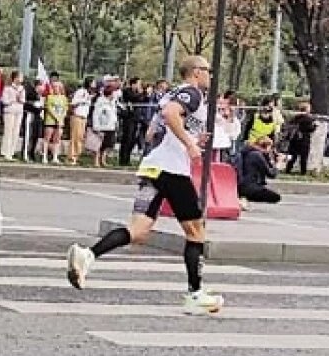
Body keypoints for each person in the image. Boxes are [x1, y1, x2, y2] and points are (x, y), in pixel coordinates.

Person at [65, 55, 224, 316]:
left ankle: (88, 255)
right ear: (196, 72)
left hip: (153, 167)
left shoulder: (173, 93)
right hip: (172, 171)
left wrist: (193, 137)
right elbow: (170, 114)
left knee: (138, 230)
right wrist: (189, 144)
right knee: (196, 231)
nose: (210, 75)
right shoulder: (191, 93)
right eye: (208, 70)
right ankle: (195, 294)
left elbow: (154, 131)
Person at [239, 136, 282, 207]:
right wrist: (278, 165)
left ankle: (243, 197)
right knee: (276, 197)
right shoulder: (257, 155)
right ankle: (244, 198)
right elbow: (271, 174)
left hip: (241, 185)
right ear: (267, 147)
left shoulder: (247, 152)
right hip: (251, 187)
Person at [87, 85, 117, 168]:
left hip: (110, 126)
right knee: (98, 145)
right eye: (113, 93)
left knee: (106, 145)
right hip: (102, 126)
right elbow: (96, 115)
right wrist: (96, 127)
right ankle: (96, 161)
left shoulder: (113, 102)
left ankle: (103, 160)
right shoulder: (100, 102)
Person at [41, 72, 68, 164]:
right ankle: (44, 156)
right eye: (54, 87)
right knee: (47, 138)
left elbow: (65, 108)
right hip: (50, 120)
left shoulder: (64, 98)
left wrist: (61, 118)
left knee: (57, 139)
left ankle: (55, 156)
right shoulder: (50, 97)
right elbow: (49, 108)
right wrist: (56, 118)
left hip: (60, 121)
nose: (55, 89)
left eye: (57, 87)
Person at [283, 102, 316, 175]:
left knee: (292, 156)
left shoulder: (295, 118)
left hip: (294, 139)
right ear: (306, 109)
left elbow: (290, 125)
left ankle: (288, 169)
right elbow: (310, 129)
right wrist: (314, 127)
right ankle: (303, 172)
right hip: (304, 139)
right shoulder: (308, 119)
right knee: (303, 157)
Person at [0, 70, 26, 160]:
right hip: (9, 111)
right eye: (20, 77)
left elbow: (23, 100)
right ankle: (5, 152)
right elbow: (4, 100)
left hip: (18, 111)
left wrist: (20, 98)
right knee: (8, 131)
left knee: (16, 132)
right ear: (15, 78)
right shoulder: (8, 88)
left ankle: (11, 152)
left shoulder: (22, 89)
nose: (21, 79)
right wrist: (12, 100)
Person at [67, 77, 93, 164]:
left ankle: (77, 156)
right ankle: (72, 156)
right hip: (77, 116)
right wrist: (82, 100)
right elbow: (73, 103)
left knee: (80, 137)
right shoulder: (80, 92)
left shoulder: (89, 93)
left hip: (84, 117)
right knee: (75, 137)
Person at [211, 94, 241, 163]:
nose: (222, 105)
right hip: (213, 147)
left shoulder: (235, 120)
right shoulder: (215, 115)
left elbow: (233, 136)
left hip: (223, 148)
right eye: (220, 103)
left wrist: (230, 118)